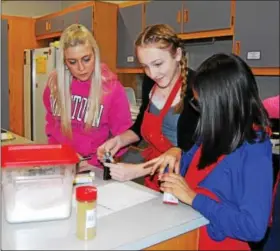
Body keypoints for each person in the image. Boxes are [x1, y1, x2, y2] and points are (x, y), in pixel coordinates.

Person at [150, 53, 273, 250]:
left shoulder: (255, 148)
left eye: (202, 106)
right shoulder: (210, 132)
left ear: (223, 105)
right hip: (190, 238)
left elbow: (253, 228)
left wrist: (193, 198)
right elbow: (181, 172)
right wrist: (173, 161)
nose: (200, 113)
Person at [97, 24, 199, 190]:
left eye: (158, 64)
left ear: (178, 54)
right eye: (145, 66)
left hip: (185, 182)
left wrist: (138, 170)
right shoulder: (150, 82)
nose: (152, 73)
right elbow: (140, 126)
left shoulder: (196, 89)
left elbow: (191, 151)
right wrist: (119, 140)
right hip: (156, 178)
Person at [43, 24, 132, 170]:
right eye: (72, 62)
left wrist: (94, 162)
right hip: (61, 164)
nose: (81, 68)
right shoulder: (54, 86)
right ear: (65, 62)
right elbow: (52, 129)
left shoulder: (112, 89)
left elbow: (123, 137)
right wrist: (62, 155)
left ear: (95, 55)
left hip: (94, 168)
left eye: (86, 59)